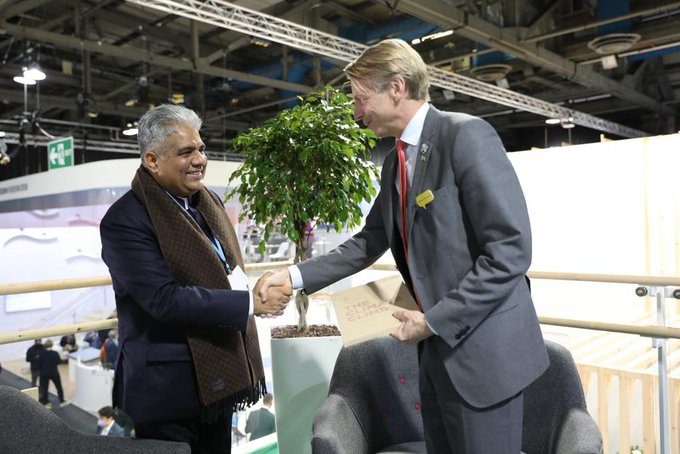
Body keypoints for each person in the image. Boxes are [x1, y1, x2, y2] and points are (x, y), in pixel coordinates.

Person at [260, 39, 549, 454]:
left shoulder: (465, 136)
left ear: (397, 87)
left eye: (362, 98)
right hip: (435, 355)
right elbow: (368, 241)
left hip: (484, 357)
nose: (357, 112)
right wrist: (293, 275)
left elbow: (509, 252)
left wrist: (433, 320)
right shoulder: (396, 160)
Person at [100, 104, 292, 454]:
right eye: (186, 152)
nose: (200, 159)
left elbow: (225, 269)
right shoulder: (124, 220)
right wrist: (250, 302)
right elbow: (163, 299)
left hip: (218, 379)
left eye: (201, 148)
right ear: (152, 161)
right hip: (167, 392)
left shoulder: (207, 203)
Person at [38, 339, 68, 408]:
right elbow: (59, 362)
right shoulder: (55, 353)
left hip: (44, 373)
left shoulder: (41, 354)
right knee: (58, 387)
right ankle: (62, 401)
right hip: (54, 372)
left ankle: (46, 403)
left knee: (44, 388)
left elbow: (39, 364)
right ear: (52, 345)